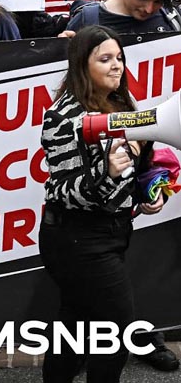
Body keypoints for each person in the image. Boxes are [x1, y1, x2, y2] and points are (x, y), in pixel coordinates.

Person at [40, 25, 165, 383]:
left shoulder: (121, 106)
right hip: (74, 237)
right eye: (105, 59)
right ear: (82, 66)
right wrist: (107, 175)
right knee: (116, 329)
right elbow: (65, 191)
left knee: (76, 326)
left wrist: (144, 193)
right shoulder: (63, 118)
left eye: (120, 58)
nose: (117, 66)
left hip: (111, 232)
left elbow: (139, 166)